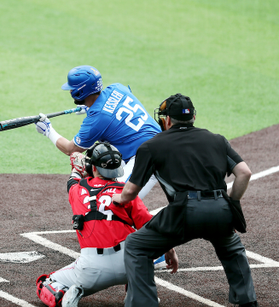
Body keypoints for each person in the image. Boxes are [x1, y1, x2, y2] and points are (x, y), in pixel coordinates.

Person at [112, 93, 258, 307]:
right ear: (193, 117)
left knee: (136, 245)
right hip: (220, 208)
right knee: (232, 248)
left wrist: (116, 197)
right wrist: (232, 204)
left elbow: (129, 194)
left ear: (167, 120)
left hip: (184, 213)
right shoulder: (217, 140)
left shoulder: (151, 146)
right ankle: (247, 302)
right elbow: (244, 173)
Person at [35, 142, 177, 307]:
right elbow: (153, 228)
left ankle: (64, 295)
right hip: (129, 263)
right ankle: (140, 292)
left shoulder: (77, 191)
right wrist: (170, 251)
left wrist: (76, 169)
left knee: (46, 283)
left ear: (93, 168)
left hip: (91, 270)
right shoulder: (125, 192)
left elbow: (72, 182)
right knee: (140, 248)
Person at [35, 65, 161, 198]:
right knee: (99, 175)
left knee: (113, 200)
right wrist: (91, 108)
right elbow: (114, 109)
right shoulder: (117, 87)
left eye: (72, 88)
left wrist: (48, 130)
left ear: (80, 92)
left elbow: (70, 149)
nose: (70, 90)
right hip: (157, 143)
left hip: (149, 156)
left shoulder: (97, 120)